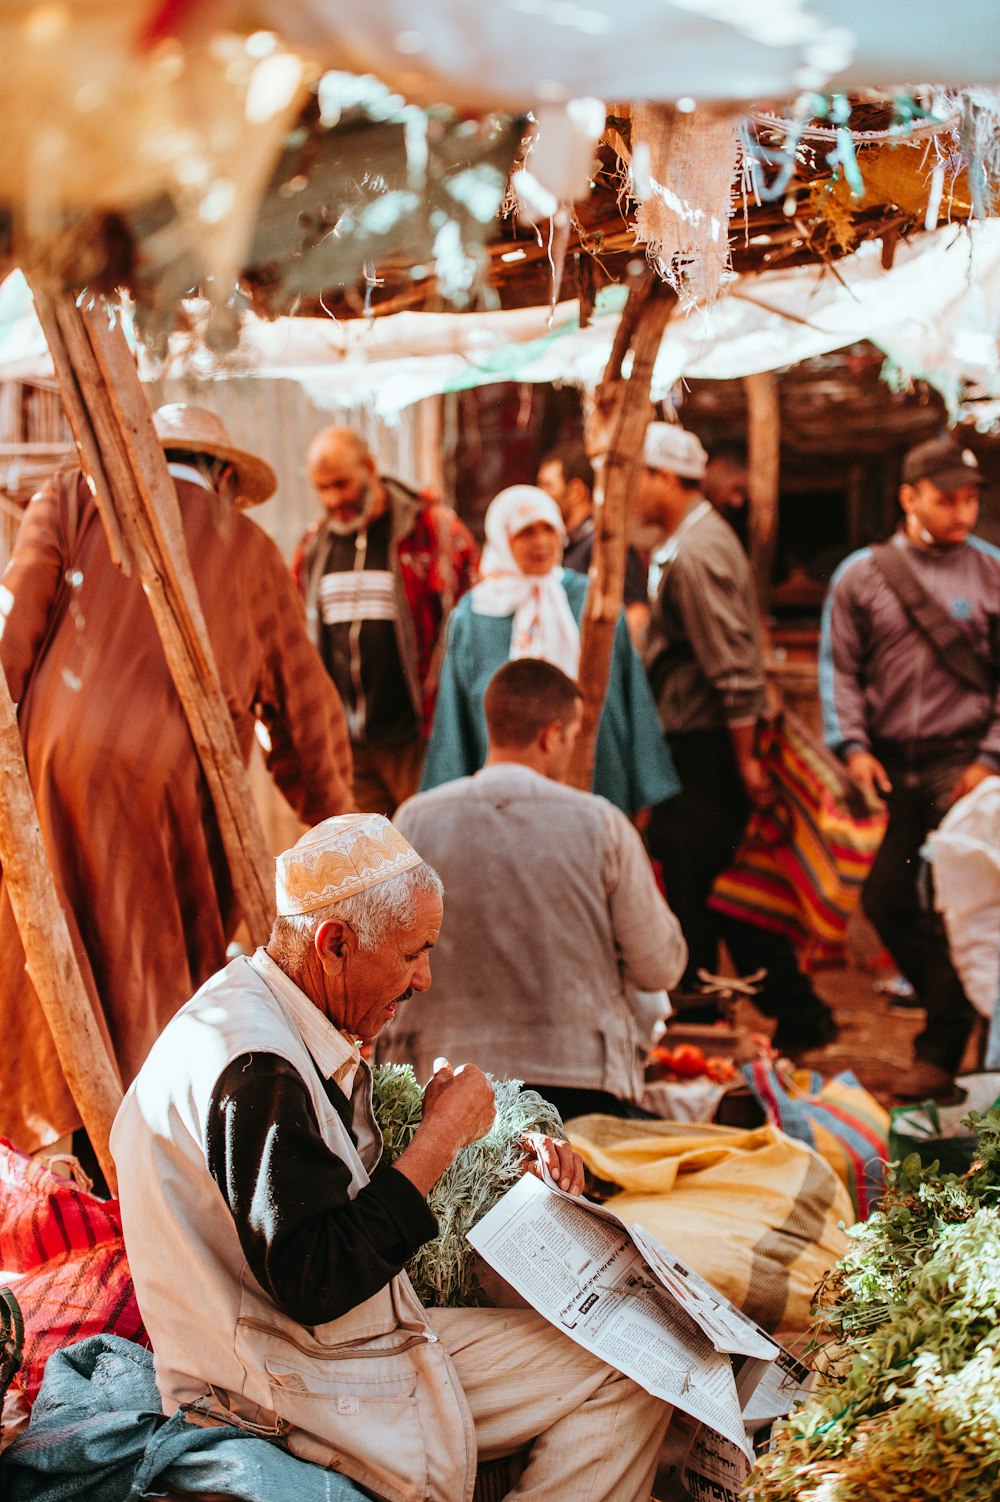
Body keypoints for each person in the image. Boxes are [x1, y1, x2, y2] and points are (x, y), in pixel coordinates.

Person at [111, 814, 673, 1502]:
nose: (425, 979)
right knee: (631, 1369)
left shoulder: (254, 1013)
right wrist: (439, 1139)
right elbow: (317, 1278)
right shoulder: (256, 1066)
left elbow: (317, 1201)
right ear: (336, 943)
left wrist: (491, 1156)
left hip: (313, 1350)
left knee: (619, 1346)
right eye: (413, 953)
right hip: (284, 1381)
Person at [0, 404, 354, 1155]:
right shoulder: (251, 547)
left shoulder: (68, 499)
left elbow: (12, 637)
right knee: (153, 971)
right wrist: (339, 831)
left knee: (43, 950)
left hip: (50, 761)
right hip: (174, 782)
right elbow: (306, 714)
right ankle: (139, 1151)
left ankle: (58, 1147)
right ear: (224, 475)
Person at [380, 659, 687, 1119]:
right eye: (573, 735)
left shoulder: (413, 820)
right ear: (551, 735)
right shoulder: (601, 823)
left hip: (437, 1088)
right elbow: (659, 966)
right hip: (581, 1090)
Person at [639, 422, 838, 1057]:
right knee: (722, 888)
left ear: (664, 478)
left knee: (700, 885)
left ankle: (715, 1021)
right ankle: (788, 1016)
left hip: (708, 746)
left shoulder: (695, 552)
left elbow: (732, 668)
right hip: (705, 742)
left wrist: (747, 760)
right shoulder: (691, 540)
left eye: (640, 477)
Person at [820, 435, 999, 1101]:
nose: (961, 511)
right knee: (888, 901)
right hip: (890, 765)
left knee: (954, 905)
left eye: (970, 498)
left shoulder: (992, 573)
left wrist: (989, 761)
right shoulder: (861, 576)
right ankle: (965, 1011)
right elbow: (840, 670)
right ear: (909, 497)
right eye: (946, 499)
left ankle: (941, 1050)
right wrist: (854, 747)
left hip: (968, 768)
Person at [420, 484, 678, 816]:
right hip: (505, 795)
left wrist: (643, 793)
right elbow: (455, 717)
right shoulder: (475, 615)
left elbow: (631, 695)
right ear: (503, 538)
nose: (541, 542)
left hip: (596, 777)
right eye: (526, 532)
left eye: (549, 529)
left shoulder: (592, 602)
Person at [293, 426, 479, 815]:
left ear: (370, 467)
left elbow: (470, 626)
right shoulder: (314, 548)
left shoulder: (431, 531)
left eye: (342, 484)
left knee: (427, 858)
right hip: (351, 750)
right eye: (322, 488)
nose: (334, 500)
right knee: (367, 868)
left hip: (418, 742)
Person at [536, 441, 650, 646]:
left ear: (576, 491)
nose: (539, 494)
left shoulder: (604, 544)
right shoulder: (565, 544)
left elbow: (635, 614)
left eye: (547, 485)